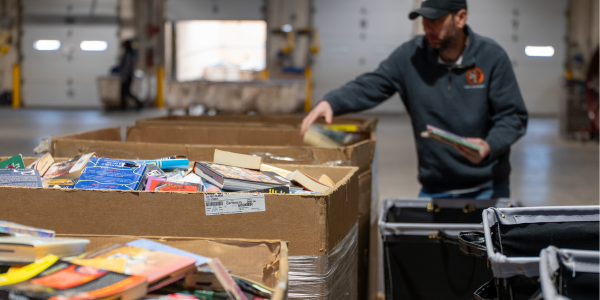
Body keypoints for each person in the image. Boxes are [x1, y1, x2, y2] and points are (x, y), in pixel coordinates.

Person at [300, 0, 528, 199]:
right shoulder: (411, 56)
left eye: (436, 20)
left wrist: (489, 145)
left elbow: (513, 117)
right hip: (434, 186)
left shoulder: (492, 57)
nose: (427, 28)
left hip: (487, 186)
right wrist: (331, 102)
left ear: (460, 18)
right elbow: (373, 83)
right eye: (423, 20)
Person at [119, 40, 143, 110]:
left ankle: (138, 103)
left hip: (127, 76)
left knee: (125, 92)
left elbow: (127, 66)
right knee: (126, 92)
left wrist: (124, 76)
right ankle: (124, 106)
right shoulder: (130, 54)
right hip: (128, 76)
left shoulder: (128, 54)